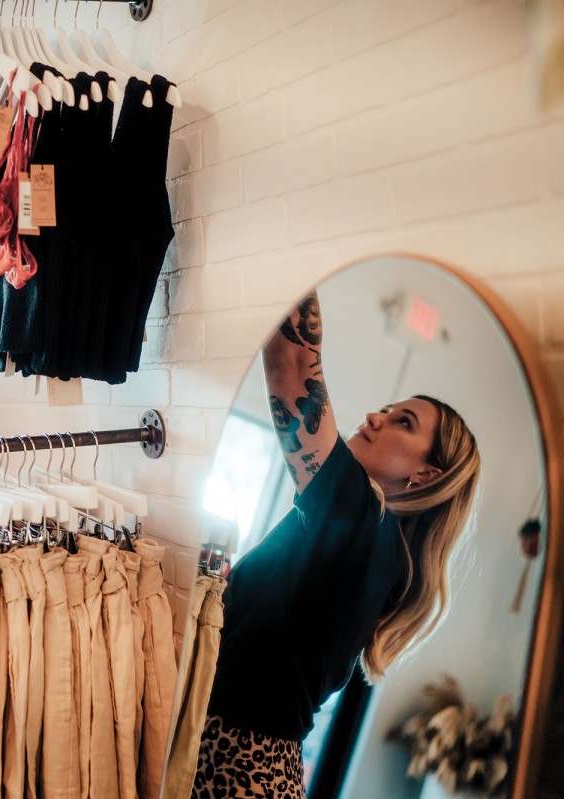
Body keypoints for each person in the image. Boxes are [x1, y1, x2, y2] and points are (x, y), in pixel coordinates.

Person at [191, 291, 482, 798]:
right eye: (388, 409)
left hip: (237, 769)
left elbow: (291, 364)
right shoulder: (375, 546)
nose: (374, 417)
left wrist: (297, 263)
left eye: (403, 423)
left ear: (425, 475)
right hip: (242, 762)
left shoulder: (363, 522)